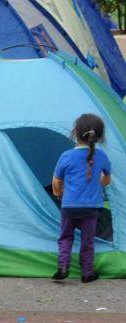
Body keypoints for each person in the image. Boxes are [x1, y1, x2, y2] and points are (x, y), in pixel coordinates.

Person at [51, 114, 112, 283]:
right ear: (99, 137)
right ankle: (87, 273)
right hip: (91, 208)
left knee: (66, 237)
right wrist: (100, 182)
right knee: (88, 241)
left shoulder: (66, 156)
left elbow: (56, 181)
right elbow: (106, 180)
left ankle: (63, 268)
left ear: (74, 133)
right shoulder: (102, 156)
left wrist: (58, 194)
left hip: (69, 206)